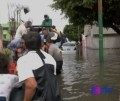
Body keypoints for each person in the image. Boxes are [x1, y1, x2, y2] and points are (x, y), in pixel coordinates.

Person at [16, 32, 61, 101]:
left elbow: (31, 85)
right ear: (41, 44)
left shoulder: (23, 60)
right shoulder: (50, 58)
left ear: (25, 45)